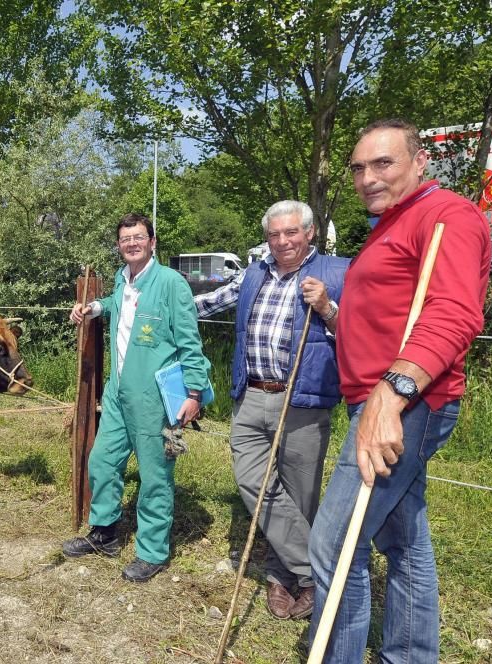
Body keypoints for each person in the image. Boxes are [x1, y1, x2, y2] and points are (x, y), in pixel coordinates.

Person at [308, 119, 490, 661]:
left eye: (383, 163)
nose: (368, 176)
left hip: (405, 401)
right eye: (359, 167)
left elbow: (454, 313)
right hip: (379, 396)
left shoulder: (445, 216)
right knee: (403, 539)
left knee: (335, 542)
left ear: (419, 161)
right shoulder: (390, 224)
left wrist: (390, 394)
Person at [194, 200, 348, 620]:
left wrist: (328, 308)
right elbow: (208, 304)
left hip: (302, 399)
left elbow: (363, 332)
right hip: (251, 396)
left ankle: (282, 576)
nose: (282, 242)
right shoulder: (254, 273)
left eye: (291, 233)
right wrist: (152, 309)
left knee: (300, 495)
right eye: (274, 235)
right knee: (254, 485)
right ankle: (314, 573)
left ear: (310, 232)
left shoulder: (338, 273)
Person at [62, 212, 211, 582]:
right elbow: (117, 302)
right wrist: (95, 307)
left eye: (138, 237)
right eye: (126, 239)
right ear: (119, 246)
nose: (132, 243)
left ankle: (153, 551)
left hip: (156, 400)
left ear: (152, 242)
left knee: (155, 475)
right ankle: (105, 533)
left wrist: (193, 393)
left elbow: (191, 343)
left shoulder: (172, 284)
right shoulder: (123, 279)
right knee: (102, 461)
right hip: (118, 392)